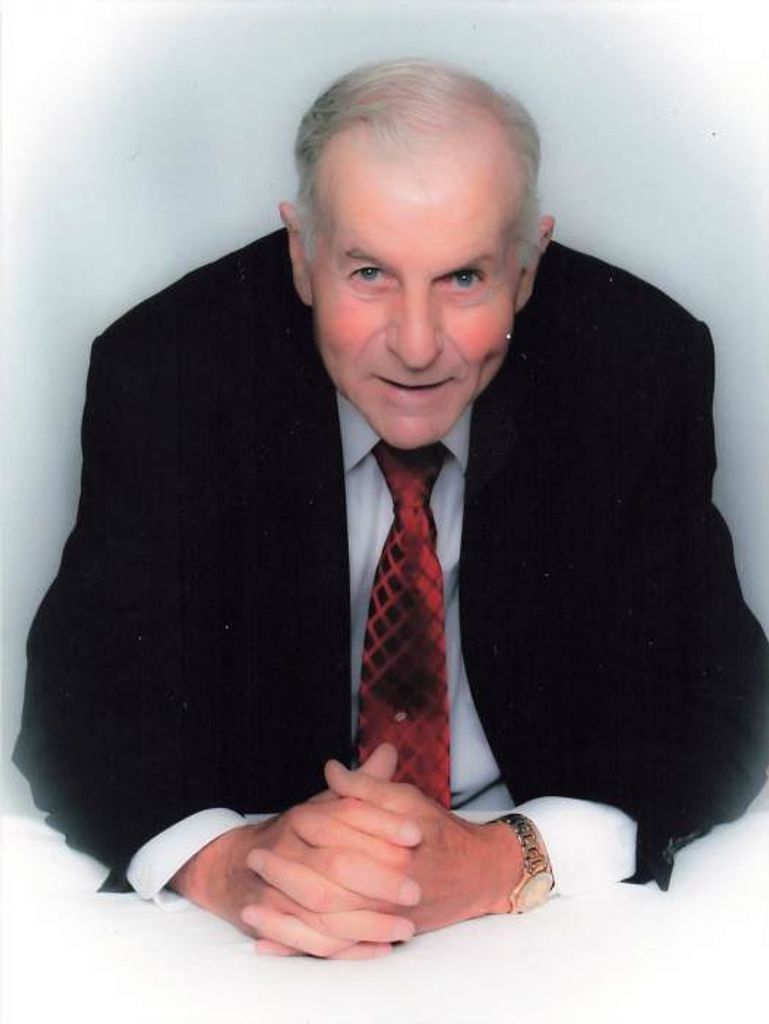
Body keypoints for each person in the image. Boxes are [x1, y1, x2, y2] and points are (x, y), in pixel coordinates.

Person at [14, 58, 769, 960]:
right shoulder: (167, 368)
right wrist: (233, 866)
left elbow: (718, 701)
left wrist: (504, 861)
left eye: (464, 279)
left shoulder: (635, 362)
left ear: (527, 267)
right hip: (250, 949)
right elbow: (78, 706)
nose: (415, 347)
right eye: (369, 272)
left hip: (545, 942)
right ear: (302, 255)